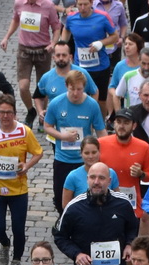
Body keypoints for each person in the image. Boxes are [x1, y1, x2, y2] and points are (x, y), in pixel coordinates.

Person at [55, 162, 140, 265]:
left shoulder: (123, 203)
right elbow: (60, 236)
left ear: (109, 181)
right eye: (93, 177)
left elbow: (133, 227)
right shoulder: (74, 207)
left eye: (101, 178)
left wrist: (129, 244)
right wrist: (77, 254)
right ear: (87, 179)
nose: (96, 182)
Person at [0, 95, 43, 265]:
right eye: (2, 112)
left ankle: (16, 260)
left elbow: (38, 152)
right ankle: (5, 244)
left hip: (18, 189)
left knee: (18, 229)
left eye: (9, 112)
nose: (5, 116)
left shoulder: (24, 131)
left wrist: (27, 166)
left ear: (15, 113)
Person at [43, 69, 107, 204]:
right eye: (72, 89)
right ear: (66, 86)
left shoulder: (92, 105)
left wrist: (105, 155)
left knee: (87, 197)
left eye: (79, 89)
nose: (76, 93)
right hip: (63, 159)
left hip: (85, 160)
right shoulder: (56, 103)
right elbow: (47, 126)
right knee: (60, 197)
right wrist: (62, 136)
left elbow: (101, 131)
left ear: (84, 88)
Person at [3, 0, 64, 126]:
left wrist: (53, 44)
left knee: (43, 88)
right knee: (23, 86)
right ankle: (31, 111)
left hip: (43, 51)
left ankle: (43, 114)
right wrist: (6, 37)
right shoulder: (19, 3)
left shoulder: (48, 6)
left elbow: (56, 28)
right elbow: (15, 20)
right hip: (24, 50)